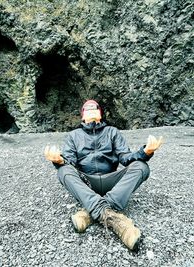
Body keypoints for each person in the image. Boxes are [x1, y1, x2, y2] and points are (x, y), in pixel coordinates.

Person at [44, 100, 163, 250]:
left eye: (94, 108)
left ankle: (90, 212)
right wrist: (60, 160)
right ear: (82, 116)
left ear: (100, 114)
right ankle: (115, 220)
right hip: (86, 182)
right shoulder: (73, 136)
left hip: (111, 181)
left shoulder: (112, 132)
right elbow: (70, 162)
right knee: (63, 171)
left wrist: (145, 152)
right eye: (87, 109)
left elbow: (125, 158)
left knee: (142, 166)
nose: (91, 110)